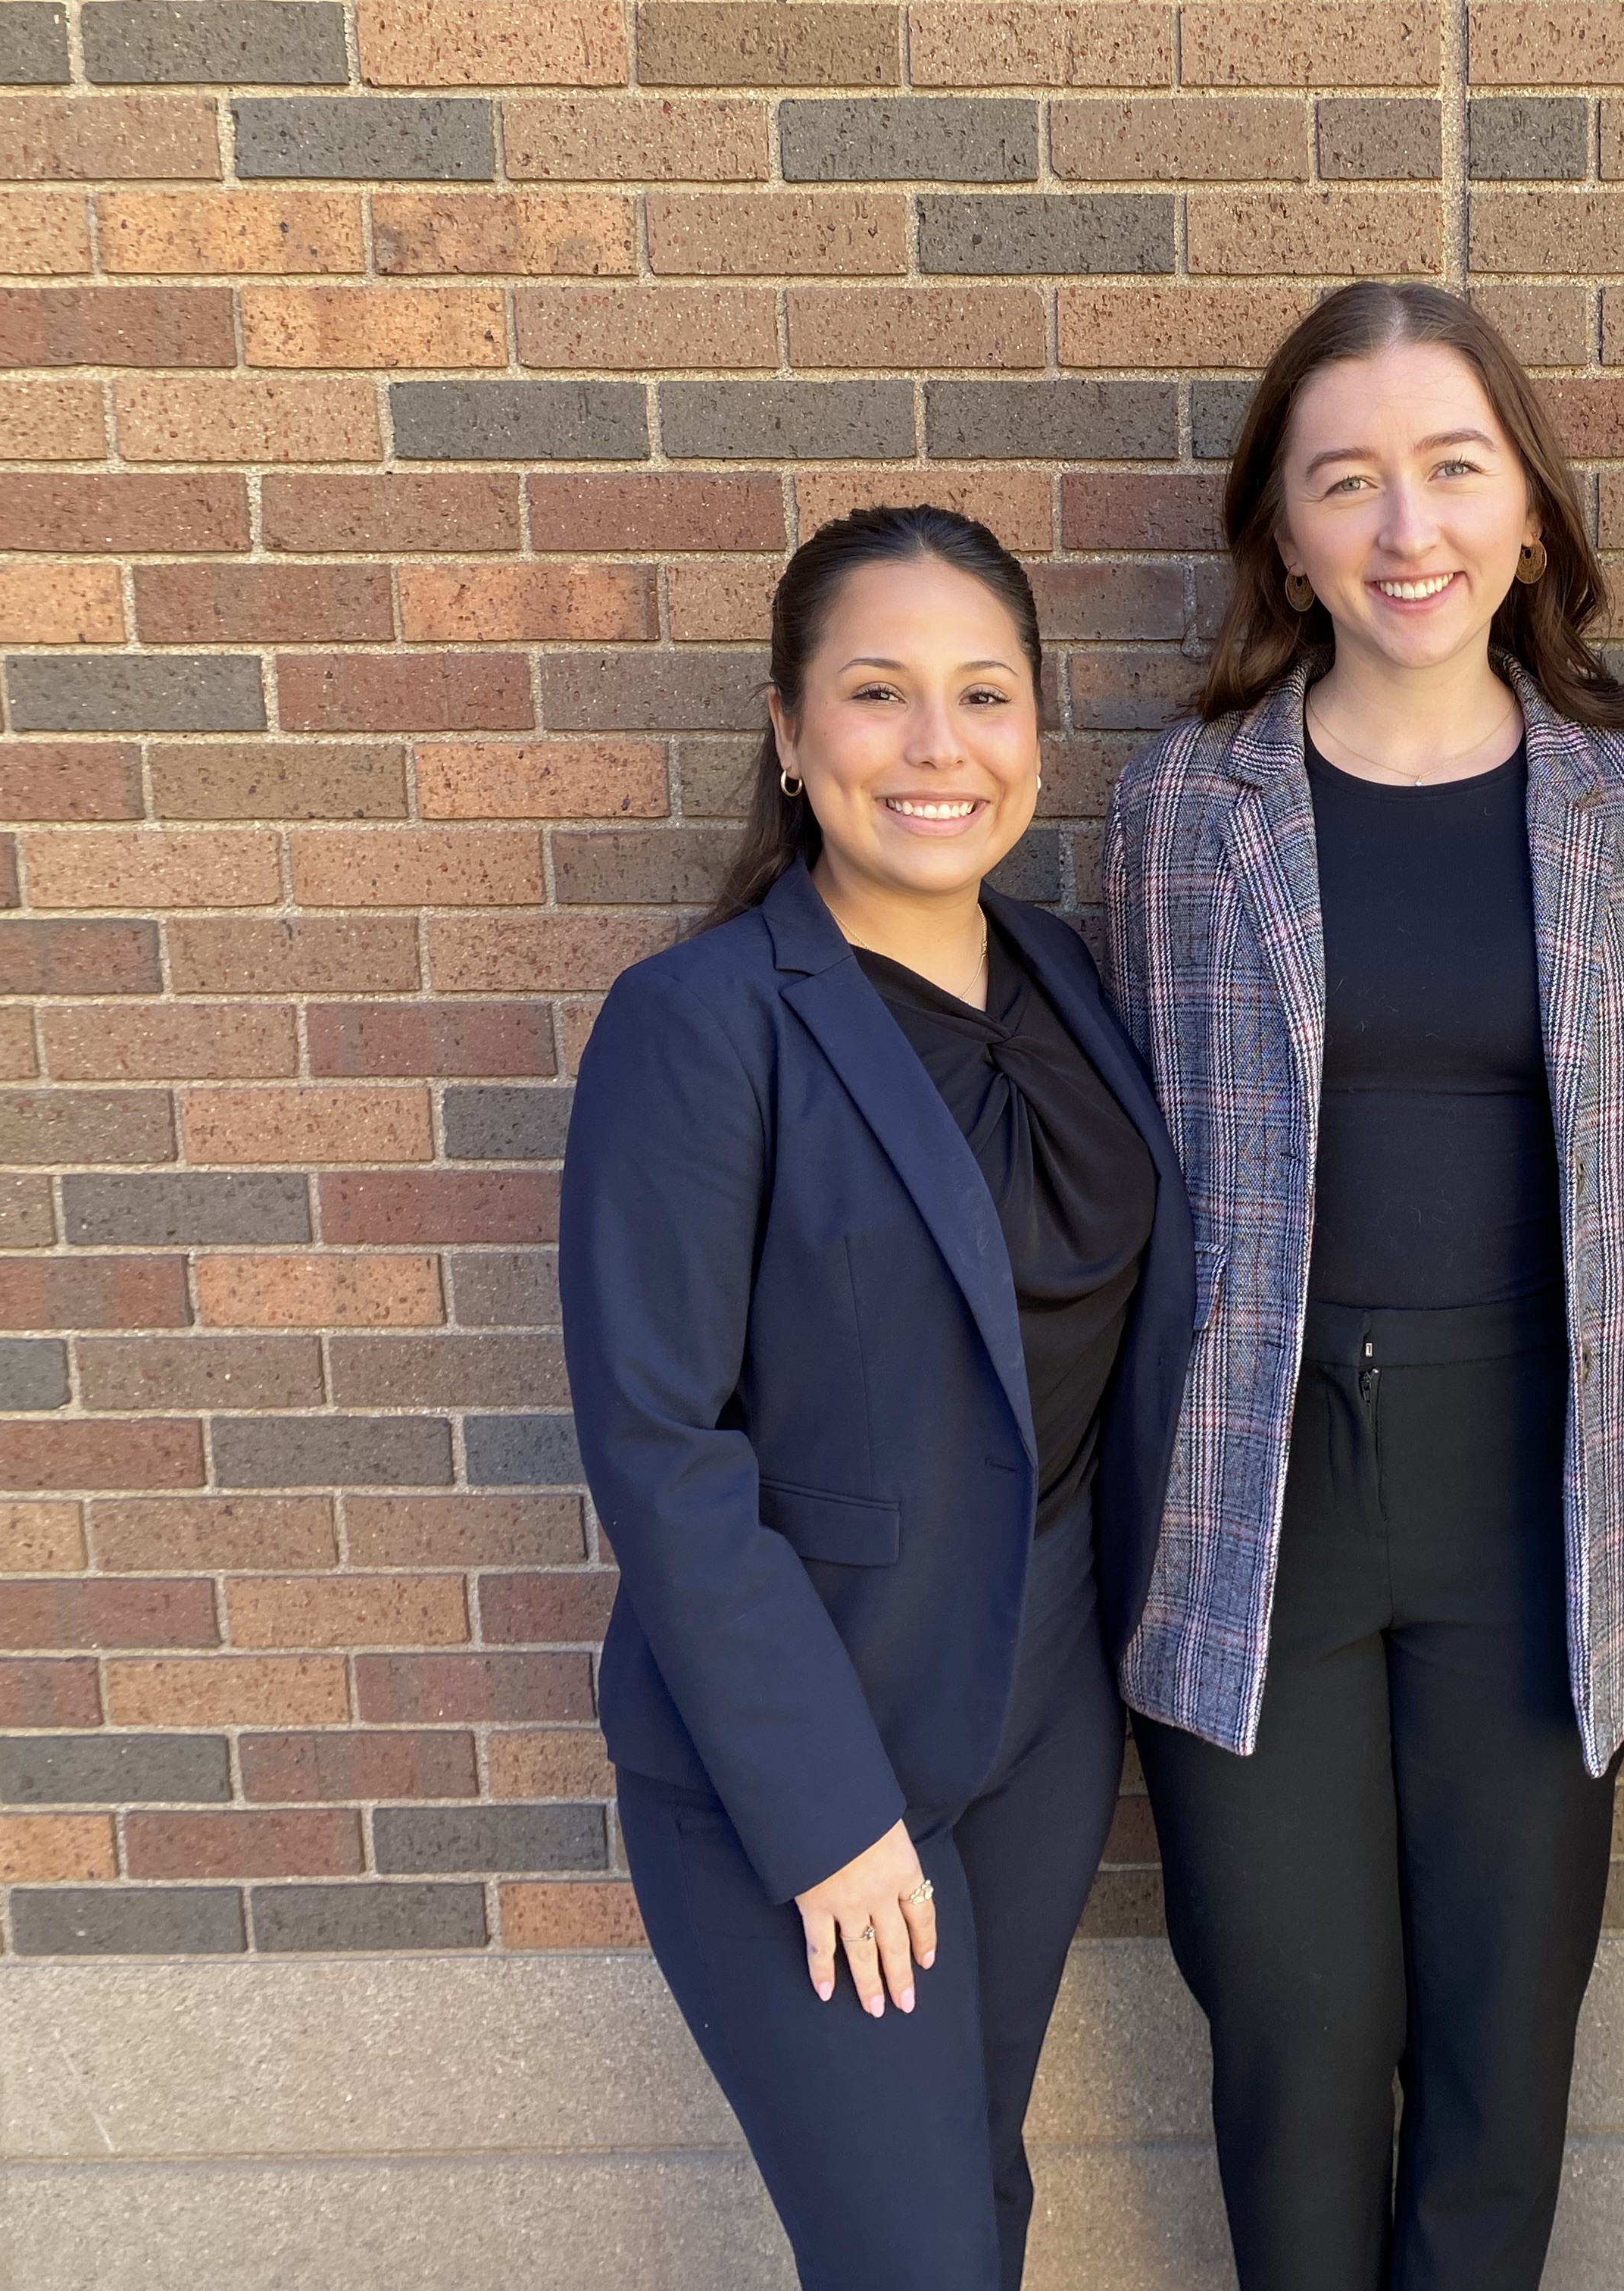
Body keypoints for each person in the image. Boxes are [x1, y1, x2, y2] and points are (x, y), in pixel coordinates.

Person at [1099, 283, 1624, 2291]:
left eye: (1454, 469)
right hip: (1253, 1482)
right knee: (1298, 2032)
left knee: (1501, 2045)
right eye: (1345, 481)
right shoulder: (1182, 809)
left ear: (1529, 512)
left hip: (1536, 1478)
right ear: (1283, 537)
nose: (1406, 526)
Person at [558, 504, 1195, 2291]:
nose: (938, 746)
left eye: (984, 695)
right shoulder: (703, 1021)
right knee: (911, 2257)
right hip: (808, 1745)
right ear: (787, 729)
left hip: (1041, 1714)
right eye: (876, 692)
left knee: (973, 2205)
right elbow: (662, 1448)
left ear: (1039, 732)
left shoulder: (1073, 978)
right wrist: (826, 1811)